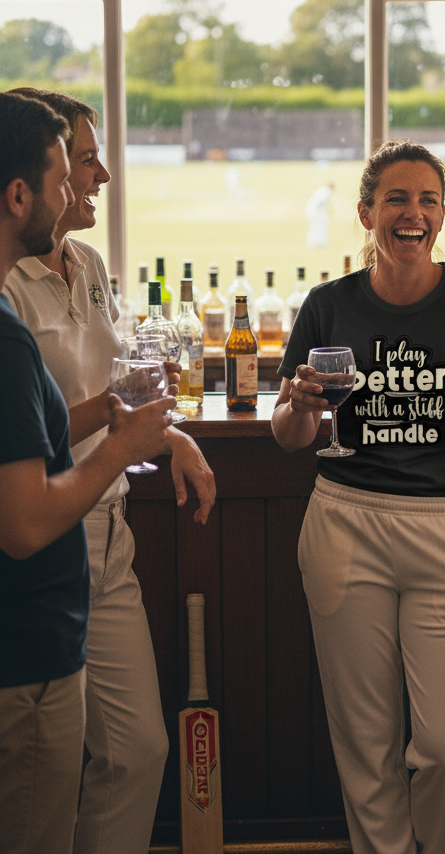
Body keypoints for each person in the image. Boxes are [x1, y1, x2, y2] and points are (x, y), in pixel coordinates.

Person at [272, 140, 445, 854]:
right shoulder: (328, 305)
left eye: (426, 200)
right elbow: (292, 435)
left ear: (442, 215)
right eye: (396, 199)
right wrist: (297, 404)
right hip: (345, 525)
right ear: (366, 212)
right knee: (368, 748)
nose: (412, 214)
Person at [3, 87, 216, 854]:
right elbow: (42, 432)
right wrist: (127, 435)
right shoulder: (7, 288)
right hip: (43, 538)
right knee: (41, 773)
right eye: (81, 161)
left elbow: (108, 392)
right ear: (35, 176)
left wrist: (169, 436)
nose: (96, 176)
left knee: (136, 748)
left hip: (108, 528)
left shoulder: (86, 262)